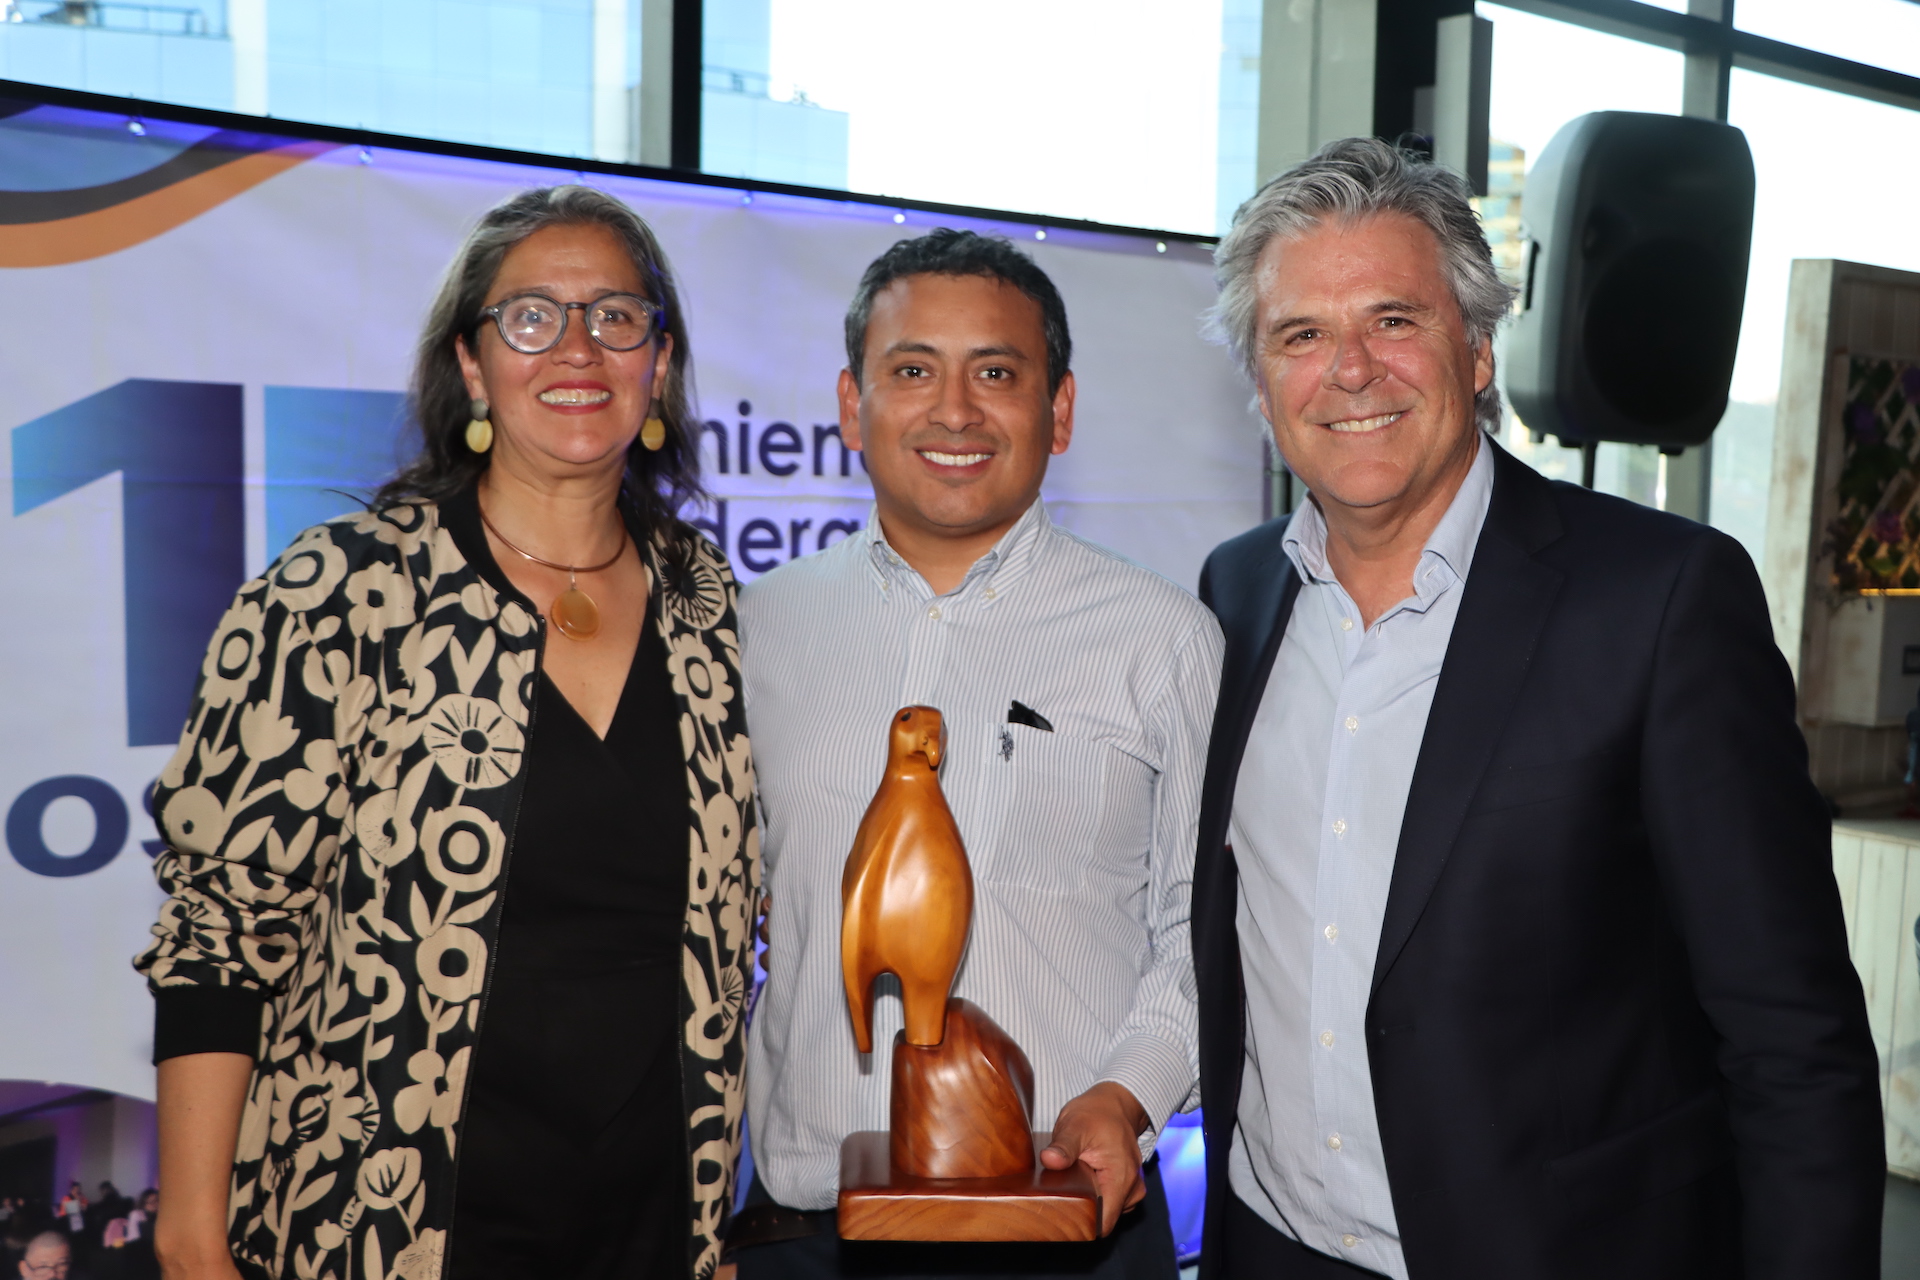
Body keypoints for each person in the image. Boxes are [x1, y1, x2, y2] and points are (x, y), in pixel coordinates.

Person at [1189, 137, 1886, 1280]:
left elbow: (1791, 1038)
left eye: (1394, 320)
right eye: (1301, 335)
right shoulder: (1236, 591)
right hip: (1270, 1247)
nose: (1350, 370)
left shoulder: (1661, 602)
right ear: (1262, 383)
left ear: (1476, 350)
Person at [136, 185, 759, 1280]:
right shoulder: (342, 590)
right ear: (472, 365)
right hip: (384, 1218)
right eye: (532, 316)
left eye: (618, 315)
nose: (578, 346)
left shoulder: (711, 607)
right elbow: (222, 930)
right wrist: (193, 1239)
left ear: (657, 364)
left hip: (654, 1220)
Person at [733, 228, 1222, 1279]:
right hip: (807, 1233)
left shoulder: (1162, 635)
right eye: (913, 370)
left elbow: (1202, 923)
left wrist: (1128, 1093)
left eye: (996, 372)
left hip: (1069, 1220)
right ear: (850, 405)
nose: (955, 411)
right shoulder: (752, 632)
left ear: (1060, 409)